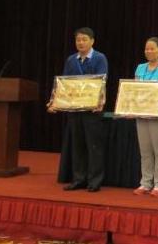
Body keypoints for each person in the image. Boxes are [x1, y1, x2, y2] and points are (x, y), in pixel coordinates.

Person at [49, 27, 108, 192]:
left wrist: (98, 101)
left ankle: (94, 181)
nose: (80, 42)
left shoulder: (99, 58)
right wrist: (55, 101)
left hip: (93, 109)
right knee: (77, 145)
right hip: (74, 109)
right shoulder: (71, 60)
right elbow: (64, 84)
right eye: (78, 40)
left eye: (84, 39)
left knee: (93, 146)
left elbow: (102, 81)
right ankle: (78, 179)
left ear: (92, 41)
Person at [132, 37, 158, 197]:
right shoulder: (140, 67)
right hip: (142, 114)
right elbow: (134, 89)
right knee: (145, 151)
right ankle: (145, 183)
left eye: (152, 48)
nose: (148, 51)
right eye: (146, 49)